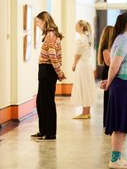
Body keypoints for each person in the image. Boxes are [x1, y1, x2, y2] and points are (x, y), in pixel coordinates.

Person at [101, 11, 127, 169]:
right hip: (123, 85)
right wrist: (109, 83)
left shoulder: (124, 39)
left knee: (122, 123)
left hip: (126, 85)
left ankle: (117, 157)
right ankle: (114, 159)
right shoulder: (123, 40)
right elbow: (114, 65)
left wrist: (109, 81)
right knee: (120, 124)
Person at [31, 11, 66, 141]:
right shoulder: (49, 34)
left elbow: (53, 56)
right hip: (45, 70)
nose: (38, 25)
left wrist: (59, 72)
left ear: (45, 21)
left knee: (47, 102)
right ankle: (43, 130)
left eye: (39, 22)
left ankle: (50, 133)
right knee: (41, 101)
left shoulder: (50, 35)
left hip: (48, 70)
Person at [70, 20, 97, 119]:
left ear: (81, 27)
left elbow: (78, 54)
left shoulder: (81, 39)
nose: (75, 26)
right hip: (87, 65)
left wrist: (73, 64)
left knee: (83, 87)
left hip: (82, 65)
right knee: (87, 87)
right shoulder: (86, 37)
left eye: (76, 25)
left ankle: (85, 112)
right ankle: (87, 111)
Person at [97, 25, 114, 127]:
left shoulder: (112, 48)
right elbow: (109, 63)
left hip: (111, 72)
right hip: (107, 73)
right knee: (108, 98)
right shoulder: (105, 49)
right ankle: (107, 122)